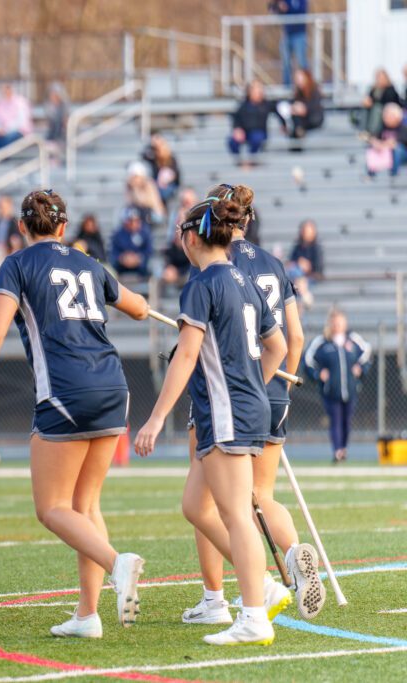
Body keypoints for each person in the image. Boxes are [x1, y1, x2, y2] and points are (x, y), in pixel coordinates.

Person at [0, 189, 149, 638]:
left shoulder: (17, 265)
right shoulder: (88, 263)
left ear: (22, 227)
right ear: (64, 226)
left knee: (52, 508)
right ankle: (87, 615)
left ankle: (117, 563)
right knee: (85, 505)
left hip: (65, 390)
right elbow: (138, 308)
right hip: (114, 385)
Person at [135, 197, 288, 646]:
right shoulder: (243, 279)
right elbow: (276, 347)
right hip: (240, 407)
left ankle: (255, 614)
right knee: (194, 505)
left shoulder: (202, 284)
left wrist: (157, 417)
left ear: (191, 236)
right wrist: (253, 384)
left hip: (227, 412)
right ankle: (265, 586)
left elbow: (186, 355)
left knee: (236, 514)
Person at [179, 184, 324, 629]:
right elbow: (293, 339)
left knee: (211, 504)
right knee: (261, 495)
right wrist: (272, 389)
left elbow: (197, 341)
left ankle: (216, 598)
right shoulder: (274, 264)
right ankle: (293, 553)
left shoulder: (214, 261)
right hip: (272, 390)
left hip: (226, 391)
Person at [305, 309, 371, 463]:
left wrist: (360, 369)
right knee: (335, 420)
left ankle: (344, 448)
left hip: (350, 390)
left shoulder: (353, 340)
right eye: (334, 323)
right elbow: (307, 360)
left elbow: (367, 354)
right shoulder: (321, 342)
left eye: (340, 322)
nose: (338, 325)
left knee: (346, 421)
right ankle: (337, 451)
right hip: (330, 391)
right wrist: (318, 374)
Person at [229, 81, 277, 167]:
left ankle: (251, 161)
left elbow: (279, 110)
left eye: (260, 89)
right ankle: (239, 161)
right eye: (256, 90)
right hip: (246, 132)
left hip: (259, 132)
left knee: (257, 137)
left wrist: (284, 124)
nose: (259, 92)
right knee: (232, 140)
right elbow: (236, 119)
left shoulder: (267, 104)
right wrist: (237, 129)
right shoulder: (243, 105)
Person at [270, 1, 308, 88]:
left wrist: (287, 9)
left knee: (301, 61)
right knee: (286, 62)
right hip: (287, 34)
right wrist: (279, 8)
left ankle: (306, 85)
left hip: (299, 34)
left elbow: (301, 11)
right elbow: (273, 10)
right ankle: (286, 86)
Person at [286, 219, 323, 308]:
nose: (306, 233)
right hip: (296, 278)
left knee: (299, 277)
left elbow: (318, 270)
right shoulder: (297, 247)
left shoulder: (316, 249)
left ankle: (301, 296)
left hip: (309, 278)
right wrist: (298, 264)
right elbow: (290, 263)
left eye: (308, 231)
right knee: (295, 271)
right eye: (304, 231)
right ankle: (305, 295)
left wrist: (308, 267)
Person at [365, 103, 407, 178]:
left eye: (390, 116)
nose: (386, 118)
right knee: (372, 148)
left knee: (397, 149)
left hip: (402, 154)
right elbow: (374, 138)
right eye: (385, 116)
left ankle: (394, 173)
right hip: (385, 152)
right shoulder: (382, 128)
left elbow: (395, 143)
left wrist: (383, 144)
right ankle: (371, 172)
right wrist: (376, 143)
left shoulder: (403, 128)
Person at [110, 207, 153, 279]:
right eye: (131, 221)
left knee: (150, 269)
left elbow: (149, 251)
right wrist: (123, 258)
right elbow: (114, 252)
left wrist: (138, 258)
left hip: (140, 264)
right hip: (122, 264)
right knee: (111, 271)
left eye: (136, 220)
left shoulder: (145, 232)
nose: (133, 223)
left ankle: (146, 289)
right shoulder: (118, 234)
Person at [359, 68, 401, 137]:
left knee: (377, 109)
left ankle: (373, 132)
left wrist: (373, 102)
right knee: (365, 109)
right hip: (375, 110)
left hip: (388, 110)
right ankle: (364, 130)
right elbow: (370, 98)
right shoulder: (374, 89)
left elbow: (389, 101)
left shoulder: (390, 89)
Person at [0, 83, 33, 148]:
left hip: (19, 132)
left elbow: (21, 122)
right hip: (2, 133)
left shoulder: (20, 102)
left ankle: (3, 157)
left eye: (8, 89)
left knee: (6, 139)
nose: (6, 91)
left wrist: (6, 130)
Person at [141, 134, 181, 204]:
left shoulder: (171, 158)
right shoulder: (153, 158)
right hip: (157, 186)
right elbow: (143, 155)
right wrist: (151, 145)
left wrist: (167, 178)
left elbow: (176, 175)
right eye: (155, 148)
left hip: (169, 186)